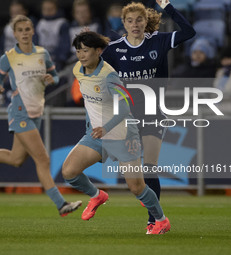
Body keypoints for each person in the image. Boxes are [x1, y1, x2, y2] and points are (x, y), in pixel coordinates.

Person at [0, 15, 82, 216]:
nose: (25, 33)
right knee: (43, 159)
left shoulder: (42, 54)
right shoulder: (8, 57)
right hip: (20, 112)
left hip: (36, 112)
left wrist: (51, 78)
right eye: (20, 30)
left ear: (33, 31)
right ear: (15, 34)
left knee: (16, 159)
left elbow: (57, 76)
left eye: (28, 29)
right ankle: (61, 205)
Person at [62, 31, 170, 235]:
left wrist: (106, 127)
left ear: (98, 51)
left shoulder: (109, 76)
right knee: (69, 171)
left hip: (122, 134)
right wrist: (91, 125)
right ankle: (97, 195)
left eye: (86, 50)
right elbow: (89, 100)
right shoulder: (78, 69)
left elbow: (124, 106)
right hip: (97, 136)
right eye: (78, 51)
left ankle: (161, 220)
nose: (82, 55)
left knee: (137, 187)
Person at [101, 0, 195, 233]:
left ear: (146, 22)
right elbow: (99, 73)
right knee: (133, 177)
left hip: (153, 113)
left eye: (139, 20)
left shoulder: (159, 41)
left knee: (150, 167)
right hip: (126, 117)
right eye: (130, 21)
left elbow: (189, 32)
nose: (135, 24)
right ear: (123, 23)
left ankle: (154, 220)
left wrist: (169, 7)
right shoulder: (114, 49)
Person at [36, 0, 70, 71]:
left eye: (50, 9)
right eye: (45, 9)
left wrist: (57, 58)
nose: (48, 12)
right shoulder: (39, 24)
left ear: (57, 9)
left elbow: (64, 45)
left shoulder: (62, 23)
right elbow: (34, 42)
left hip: (56, 59)